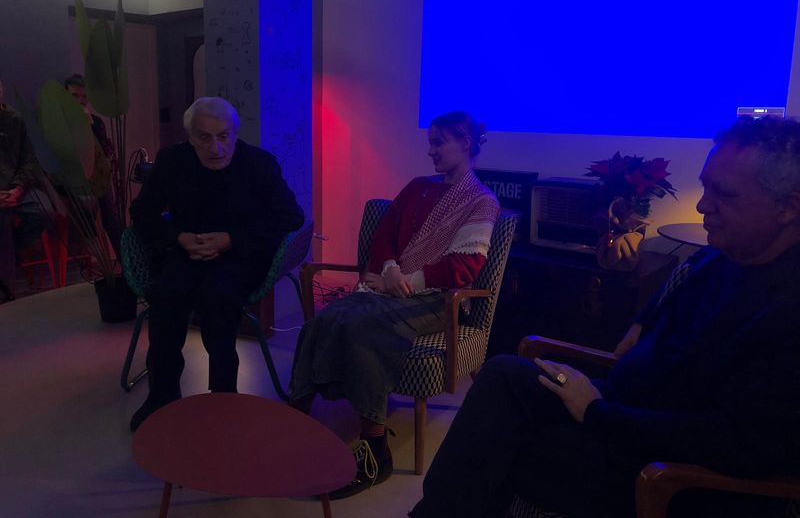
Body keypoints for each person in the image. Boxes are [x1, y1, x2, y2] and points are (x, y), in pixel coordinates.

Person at [410, 115, 800, 518]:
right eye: (705, 187)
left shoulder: (787, 312)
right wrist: (643, 321)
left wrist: (596, 412)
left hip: (661, 464)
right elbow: (682, 280)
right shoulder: (730, 253)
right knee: (504, 375)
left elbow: (737, 444)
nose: (703, 205)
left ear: (788, 207)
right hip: (623, 404)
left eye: (725, 194)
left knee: (495, 445)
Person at [290, 110, 499, 499]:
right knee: (328, 316)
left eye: (439, 143)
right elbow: (384, 234)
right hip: (390, 285)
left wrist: (405, 281)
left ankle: (375, 452)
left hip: (437, 299)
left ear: (465, 143)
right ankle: (295, 416)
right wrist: (388, 268)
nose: (430, 150)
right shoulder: (418, 186)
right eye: (430, 142)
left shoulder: (481, 201)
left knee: (363, 326)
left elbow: (466, 264)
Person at [129, 97, 304, 431]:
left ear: (235, 134)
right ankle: (162, 395)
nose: (216, 147)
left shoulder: (259, 164)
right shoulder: (172, 161)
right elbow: (142, 212)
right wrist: (178, 237)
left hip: (239, 256)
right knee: (165, 299)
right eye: (204, 138)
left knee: (218, 300)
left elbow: (290, 216)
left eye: (224, 137)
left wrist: (232, 239)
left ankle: (223, 396)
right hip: (186, 251)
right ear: (190, 137)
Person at [0, 78, 50, 302]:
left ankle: (14, 253)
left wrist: (17, 189)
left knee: (44, 212)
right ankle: (6, 291)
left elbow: (28, 160)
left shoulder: (14, 120)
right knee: (2, 221)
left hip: (16, 188)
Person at [64, 74, 122, 257]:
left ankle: (125, 261)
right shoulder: (59, 122)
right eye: (74, 96)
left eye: (84, 97)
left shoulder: (95, 121)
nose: (80, 101)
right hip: (73, 179)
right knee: (87, 206)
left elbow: (105, 151)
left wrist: (89, 126)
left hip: (97, 176)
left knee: (111, 215)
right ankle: (88, 249)